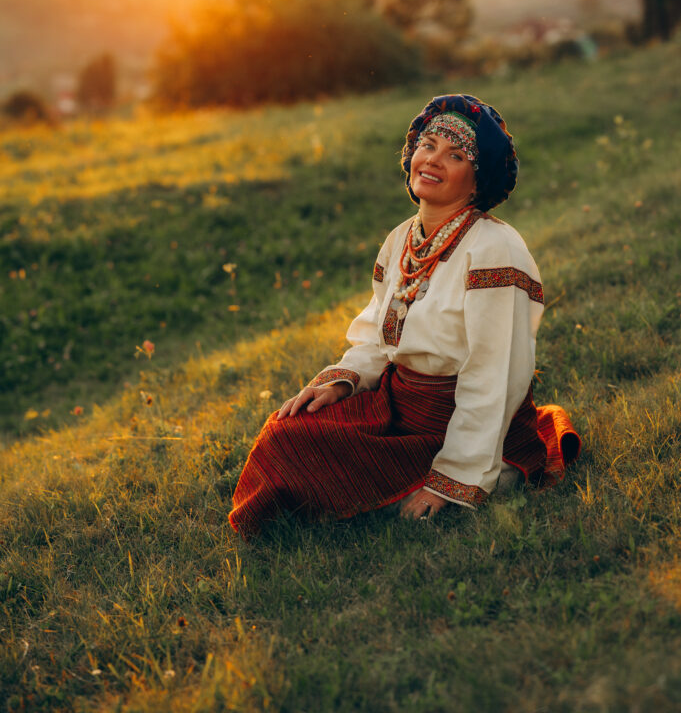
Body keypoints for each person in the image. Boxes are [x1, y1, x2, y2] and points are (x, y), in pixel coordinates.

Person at [228, 94, 580, 538]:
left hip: (457, 422)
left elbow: (495, 374)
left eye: (456, 155)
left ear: (478, 180)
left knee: (373, 500)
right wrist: (342, 380)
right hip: (397, 409)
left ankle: (478, 477)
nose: (432, 160)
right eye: (428, 144)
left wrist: (449, 480)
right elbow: (378, 333)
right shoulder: (403, 238)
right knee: (286, 435)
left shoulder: (495, 249)